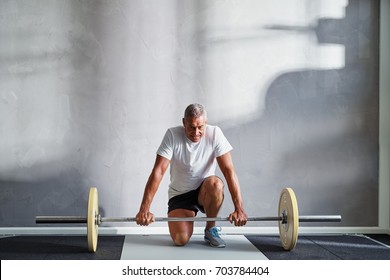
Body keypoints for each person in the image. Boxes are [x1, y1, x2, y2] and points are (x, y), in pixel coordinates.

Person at [135, 103, 247, 248]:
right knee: (180, 240)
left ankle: (210, 228)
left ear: (206, 122)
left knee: (216, 184)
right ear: (184, 123)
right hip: (180, 194)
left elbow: (229, 171)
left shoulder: (215, 134)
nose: (196, 132)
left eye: (200, 127)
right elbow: (158, 171)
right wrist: (144, 209)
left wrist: (239, 209)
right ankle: (186, 221)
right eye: (191, 127)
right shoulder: (172, 135)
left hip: (205, 191)